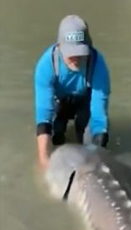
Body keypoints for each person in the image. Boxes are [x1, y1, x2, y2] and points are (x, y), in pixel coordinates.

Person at [34, 14, 111, 169]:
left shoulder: (98, 65)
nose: (75, 57)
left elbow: (99, 116)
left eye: (80, 51)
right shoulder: (46, 66)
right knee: (56, 142)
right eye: (70, 51)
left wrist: (98, 159)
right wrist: (43, 160)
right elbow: (44, 117)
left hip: (85, 101)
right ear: (59, 46)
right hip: (59, 103)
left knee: (88, 147)